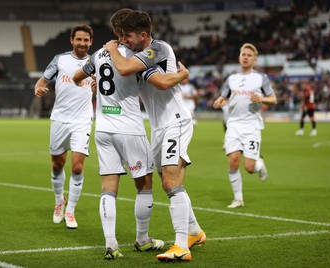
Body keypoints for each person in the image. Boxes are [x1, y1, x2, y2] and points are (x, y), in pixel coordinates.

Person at [72, 8, 179, 260]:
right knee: (144, 185)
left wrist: (94, 85)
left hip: (103, 129)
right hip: (129, 129)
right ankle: (142, 239)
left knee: (108, 188)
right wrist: (180, 74)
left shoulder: (98, 53)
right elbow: (159, 82)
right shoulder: (136, 56)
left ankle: (111, 244)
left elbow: (77, 77)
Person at [104, 10, 206, 262]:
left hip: (176, 122)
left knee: (171, 182)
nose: (123, 40)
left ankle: (182, 245)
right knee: (167, 182)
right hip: (159, 127)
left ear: (143, 35)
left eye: (127, 36)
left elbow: (129, 69)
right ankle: (194, 231)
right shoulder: (140, 57)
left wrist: (111, 48)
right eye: (119, 36)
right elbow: (156, 80)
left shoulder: (158, 48)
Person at [34, 24, 94, 229]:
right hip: (60, 118)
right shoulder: (60, 60)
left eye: (86, 40)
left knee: (77, 167)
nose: (82, 43)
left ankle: (70, 211)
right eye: (79, 39)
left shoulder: (96, 62)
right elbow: (42, 81)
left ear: (91, 42)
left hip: (83, 120)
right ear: (72, 40)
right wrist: (39, 89)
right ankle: (59, 201)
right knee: (57, 165)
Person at [213, 43, 277, 209]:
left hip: (251, 126)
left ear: (254, 59)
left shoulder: (261, 78)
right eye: (243, 54)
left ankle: (259, 164)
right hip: (233, 124)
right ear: (239, 57)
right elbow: (224, 97)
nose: (246, 57)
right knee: (233, 161)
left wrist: (262, 99)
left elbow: (273, 99)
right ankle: (238, 199)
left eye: (249, 55)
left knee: (249, 168)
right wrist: (219, 101)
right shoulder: (231, 79)